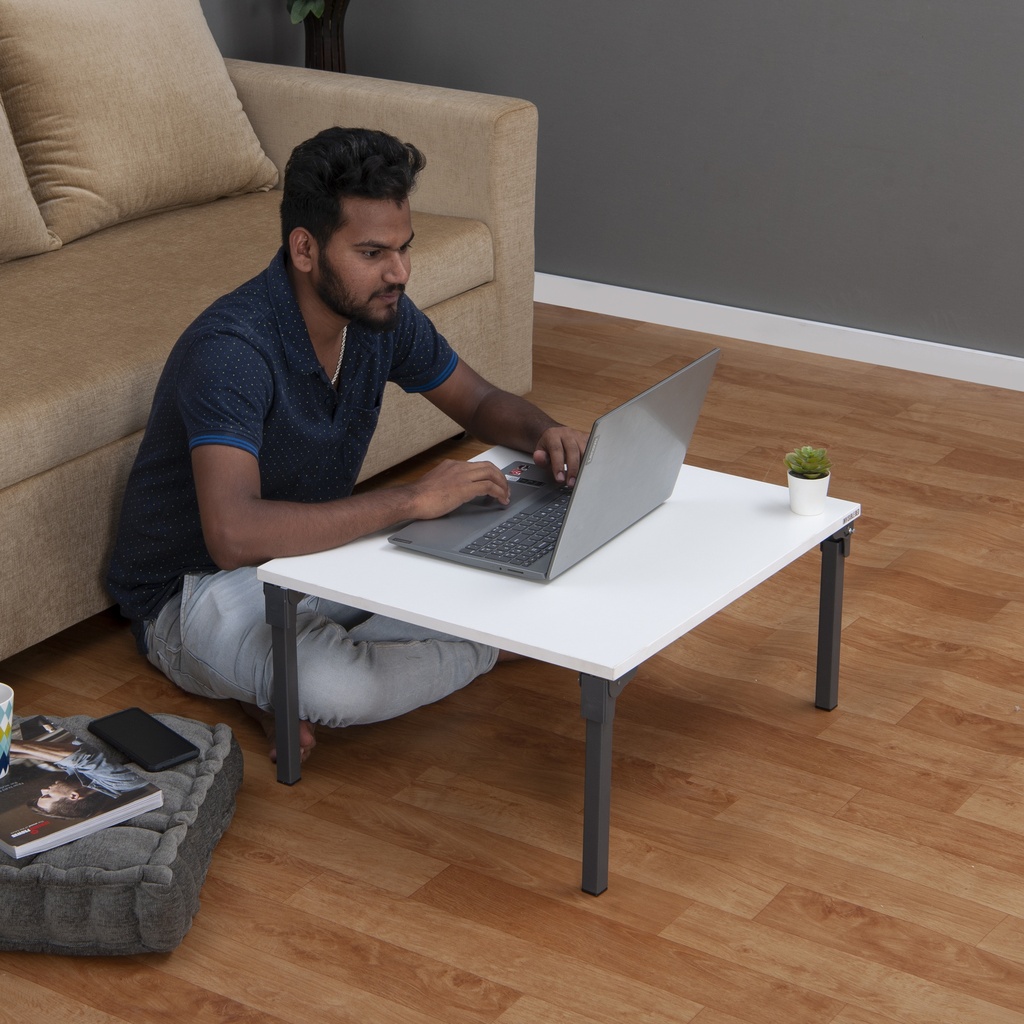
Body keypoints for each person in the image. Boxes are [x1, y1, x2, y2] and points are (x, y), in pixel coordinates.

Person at [107, 126, 588, 765]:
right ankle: (489, 645)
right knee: (345, 688)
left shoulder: (376, 312)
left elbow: (476, 401)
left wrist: (547, 433)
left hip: (321, 550)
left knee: (500, 557)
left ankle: (278, 679)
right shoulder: (231, 352)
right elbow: (235, 535)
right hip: (195, 588)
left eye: (403, 248)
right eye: (372, 252)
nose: (399, 272)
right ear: (304, 250)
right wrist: (412, 500)